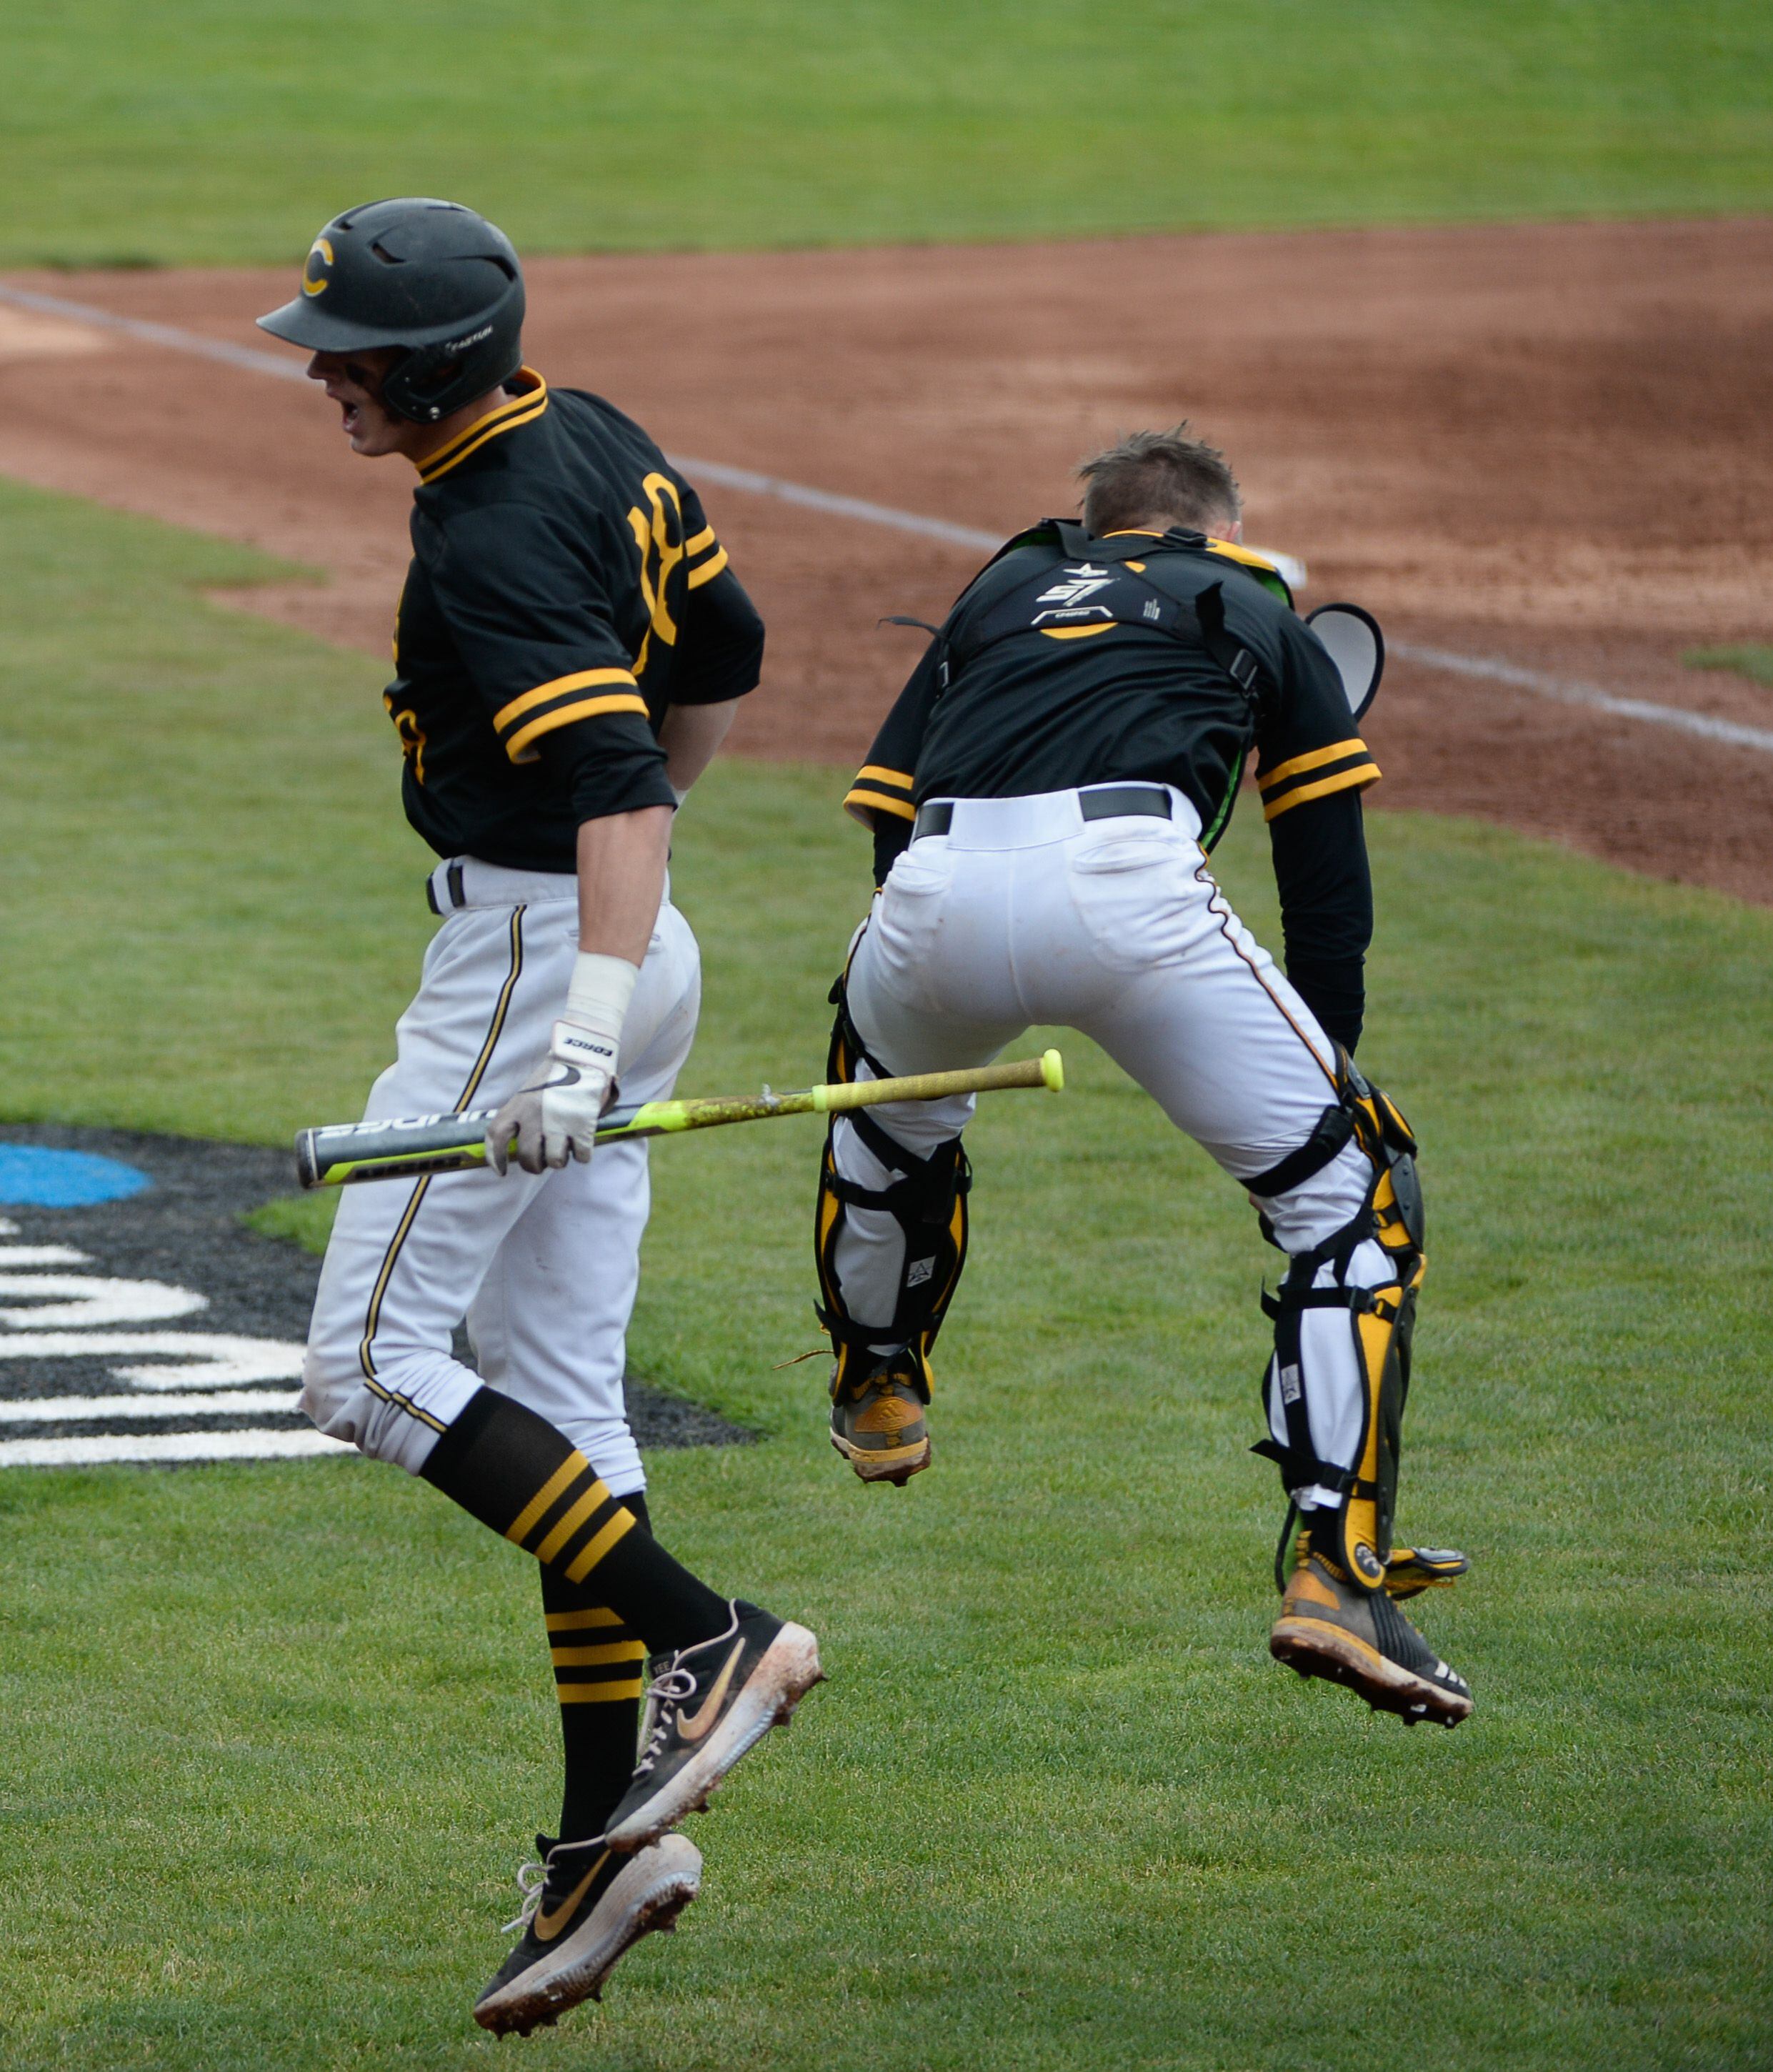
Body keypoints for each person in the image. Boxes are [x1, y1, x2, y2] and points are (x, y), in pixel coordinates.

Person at [257, 196, 822, 2036]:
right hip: (611, 953)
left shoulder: (492, 531)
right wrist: (630, 945)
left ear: (420, 369)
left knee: (362, 1365)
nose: (319, 371)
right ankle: (607, 1845)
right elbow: (720, 657)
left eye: (341, 349)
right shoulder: (586, 427)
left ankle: (705, 1629)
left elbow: (608, 787)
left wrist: (575, 1029)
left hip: (534, 968)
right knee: (564, 1392)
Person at [814, 426, 1473, 1728]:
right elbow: (1323, 881)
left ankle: (878, 1375)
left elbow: (891, 811)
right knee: (1351, 1204)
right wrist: (1322, 1063)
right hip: (1131, 892)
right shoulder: (1251, 601)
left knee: (884, 1126)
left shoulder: (998, 588)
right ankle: (1335, 1571)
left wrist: (920, 1004)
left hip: (933, 888)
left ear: (1094, 522)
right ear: (1214, 530)